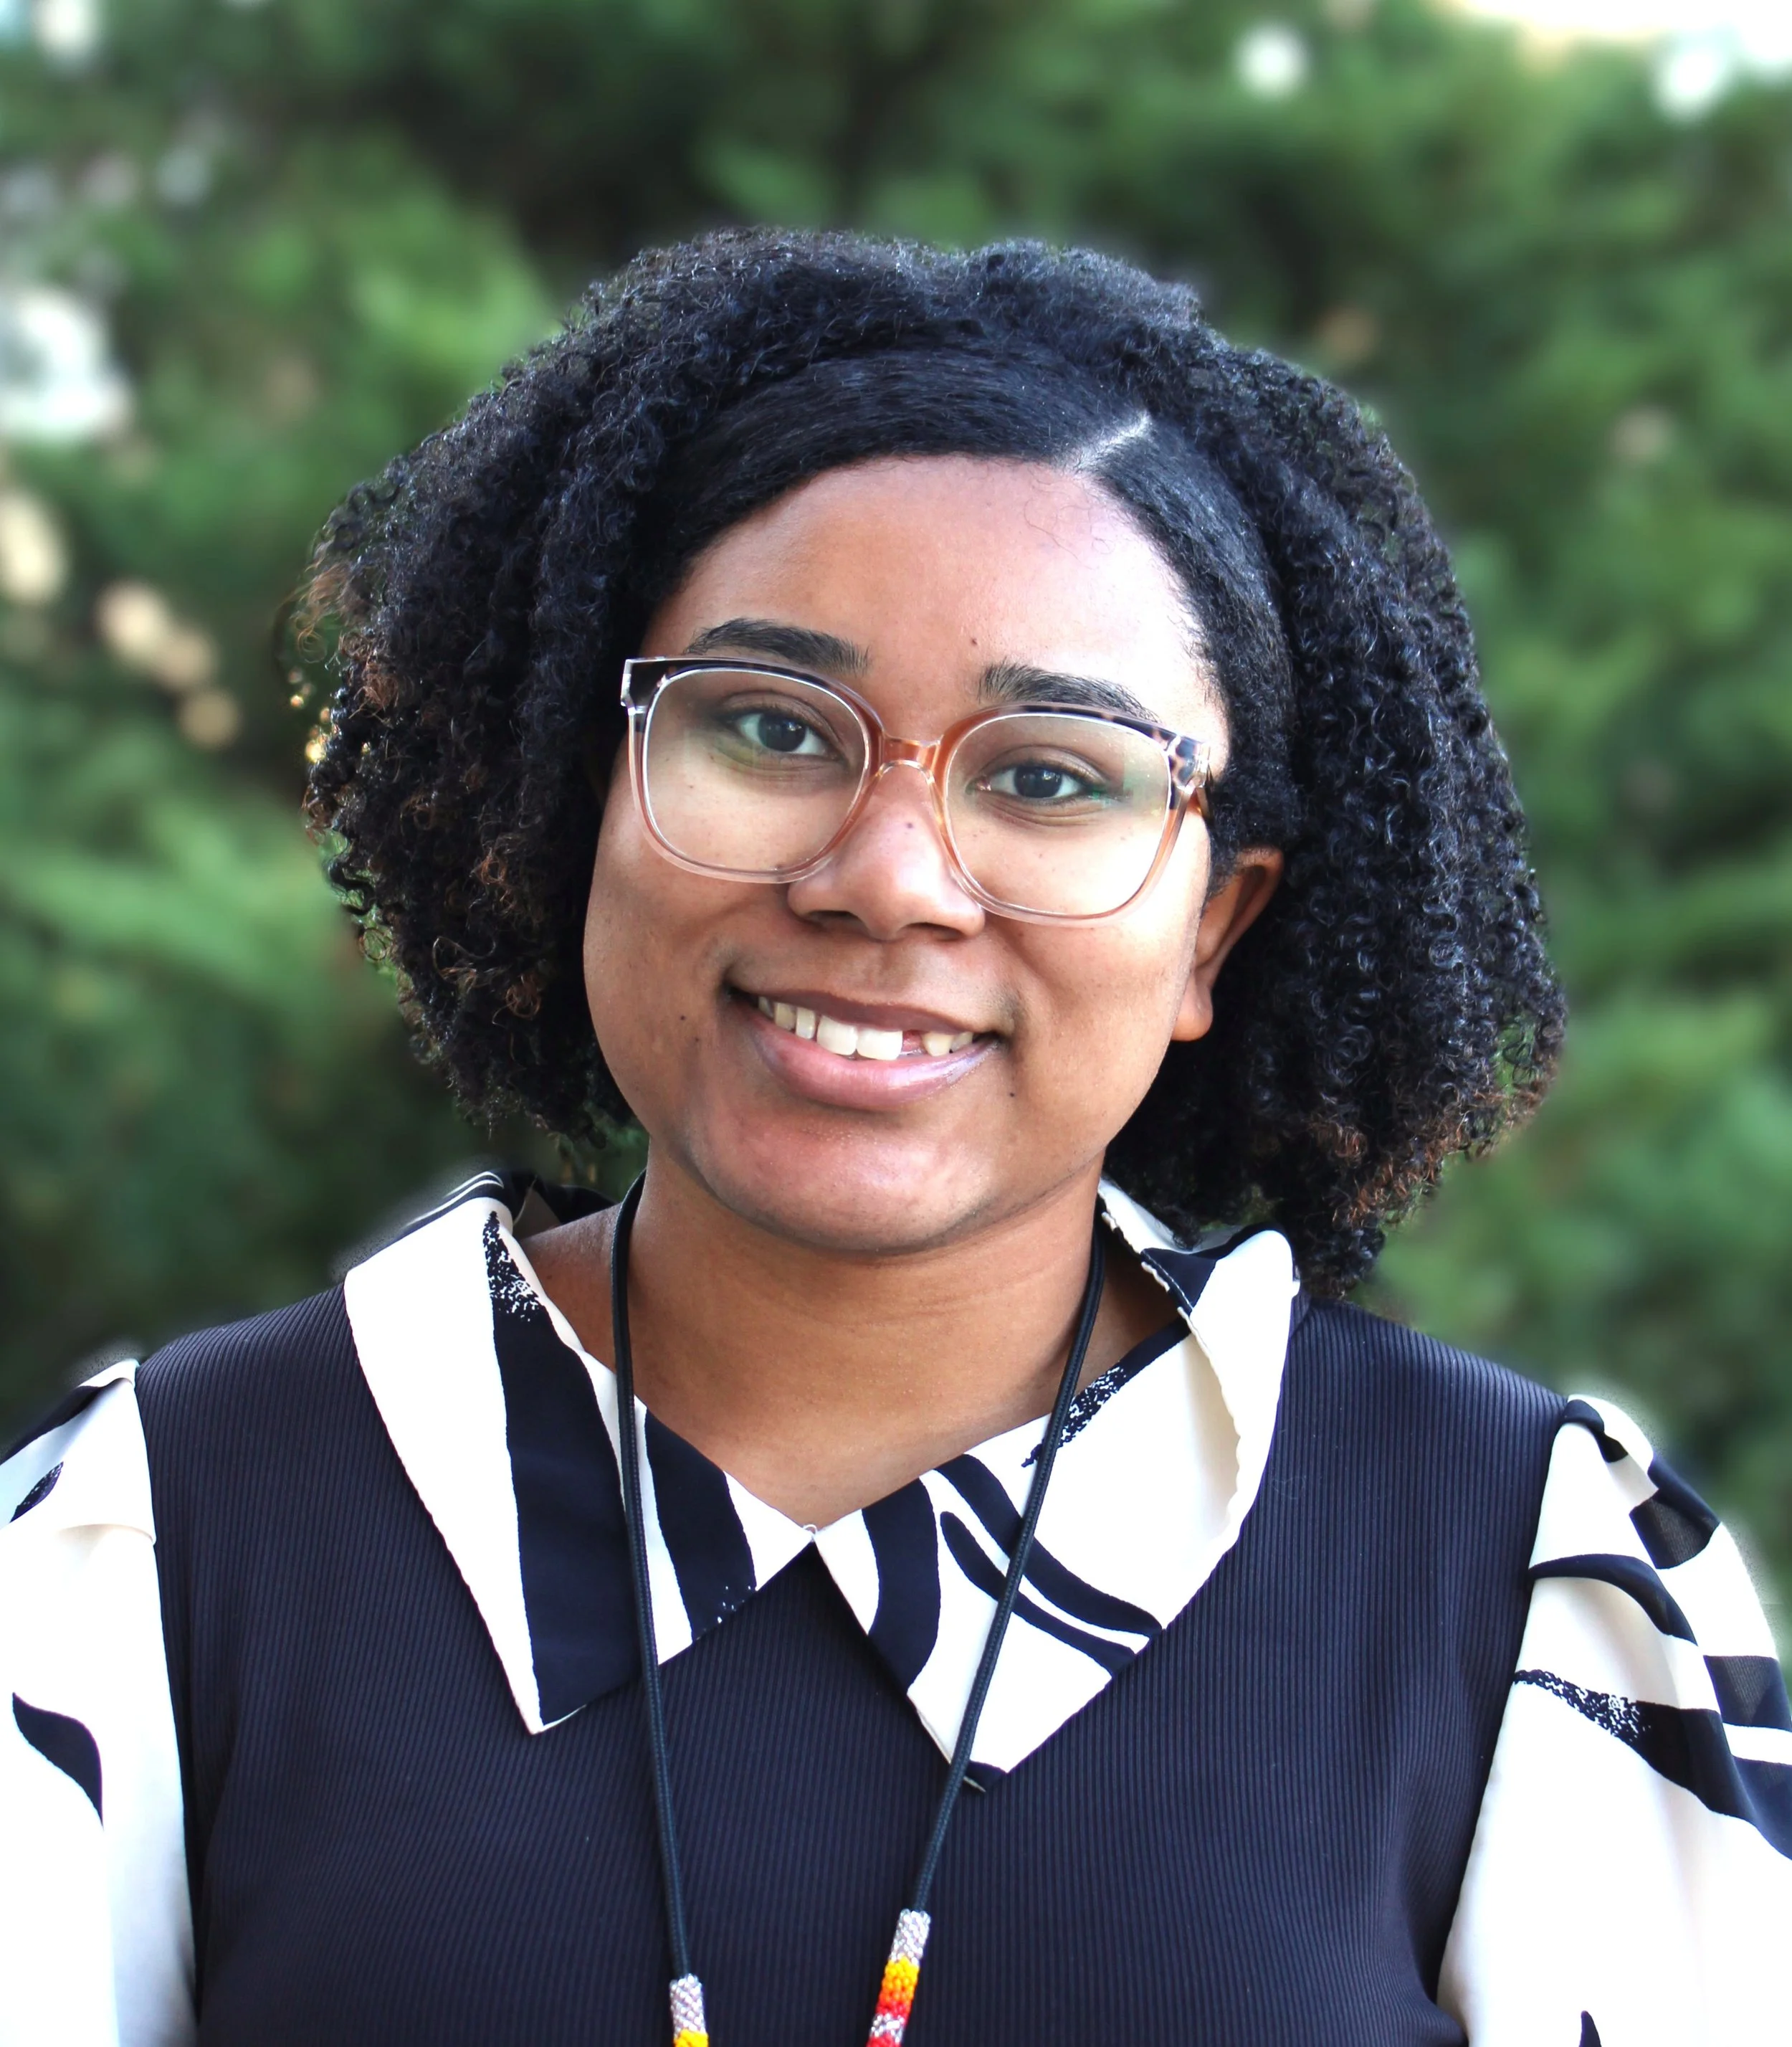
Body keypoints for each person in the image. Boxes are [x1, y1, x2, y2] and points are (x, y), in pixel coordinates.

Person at [1, 230, 1786, 2047]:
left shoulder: (1520, 1588)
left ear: (1212, 927)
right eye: (769, 729)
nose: (885, 877)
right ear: (583, 790)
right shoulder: (155, 1537)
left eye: (1048, 775)